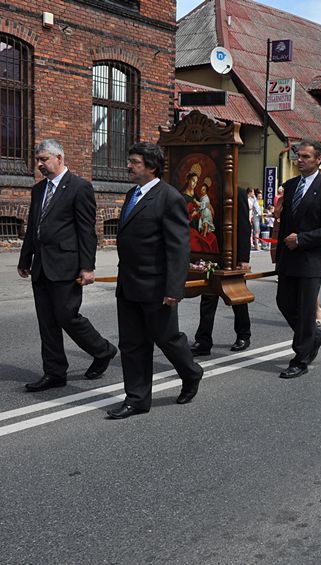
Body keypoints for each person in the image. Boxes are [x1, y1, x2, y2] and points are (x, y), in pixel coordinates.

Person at [108, 142, 204, 419]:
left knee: (167, 338)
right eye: (130, 161)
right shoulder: (132, 194)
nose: (129, 166)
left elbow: (178, 247)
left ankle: (191, 372)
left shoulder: (169, 197)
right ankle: (137, 399)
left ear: (151, 166)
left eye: (135, 162)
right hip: (128, 283)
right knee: (132, 343)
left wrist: (174, 288)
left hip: (155, 285)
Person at [17, 139, 117, 392]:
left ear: (59, 158)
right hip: (41, 266)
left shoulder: (79, 187)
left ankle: (103, 350)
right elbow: (33, 227)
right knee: (47, 322)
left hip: (66, 265)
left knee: (66, 316)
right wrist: (25, 258)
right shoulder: (38, 190)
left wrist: (88, 267)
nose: (39, 164)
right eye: (37, 159)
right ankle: (54, 373)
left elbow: (87, 231)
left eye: (44, 159)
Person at [275, 139, 321, 379]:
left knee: (304, 310)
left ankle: (300, 358)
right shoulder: (291, 185)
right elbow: (284, 227)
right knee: (284, 302)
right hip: (289, 258)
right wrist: (279, 255)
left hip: (310, 259)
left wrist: (302, 239)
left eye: (305, 157)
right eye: (298, 156)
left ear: (318, 160)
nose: (299, 160)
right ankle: (313, 336)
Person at [190, 186, 253, 356]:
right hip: (211, 250)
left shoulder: (237, 192)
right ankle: (203, 340)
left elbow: (244, 226)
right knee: (208, 295)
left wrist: (243, 258)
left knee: (237, 295)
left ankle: (243, 335)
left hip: (231, 254)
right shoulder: (205, 194)